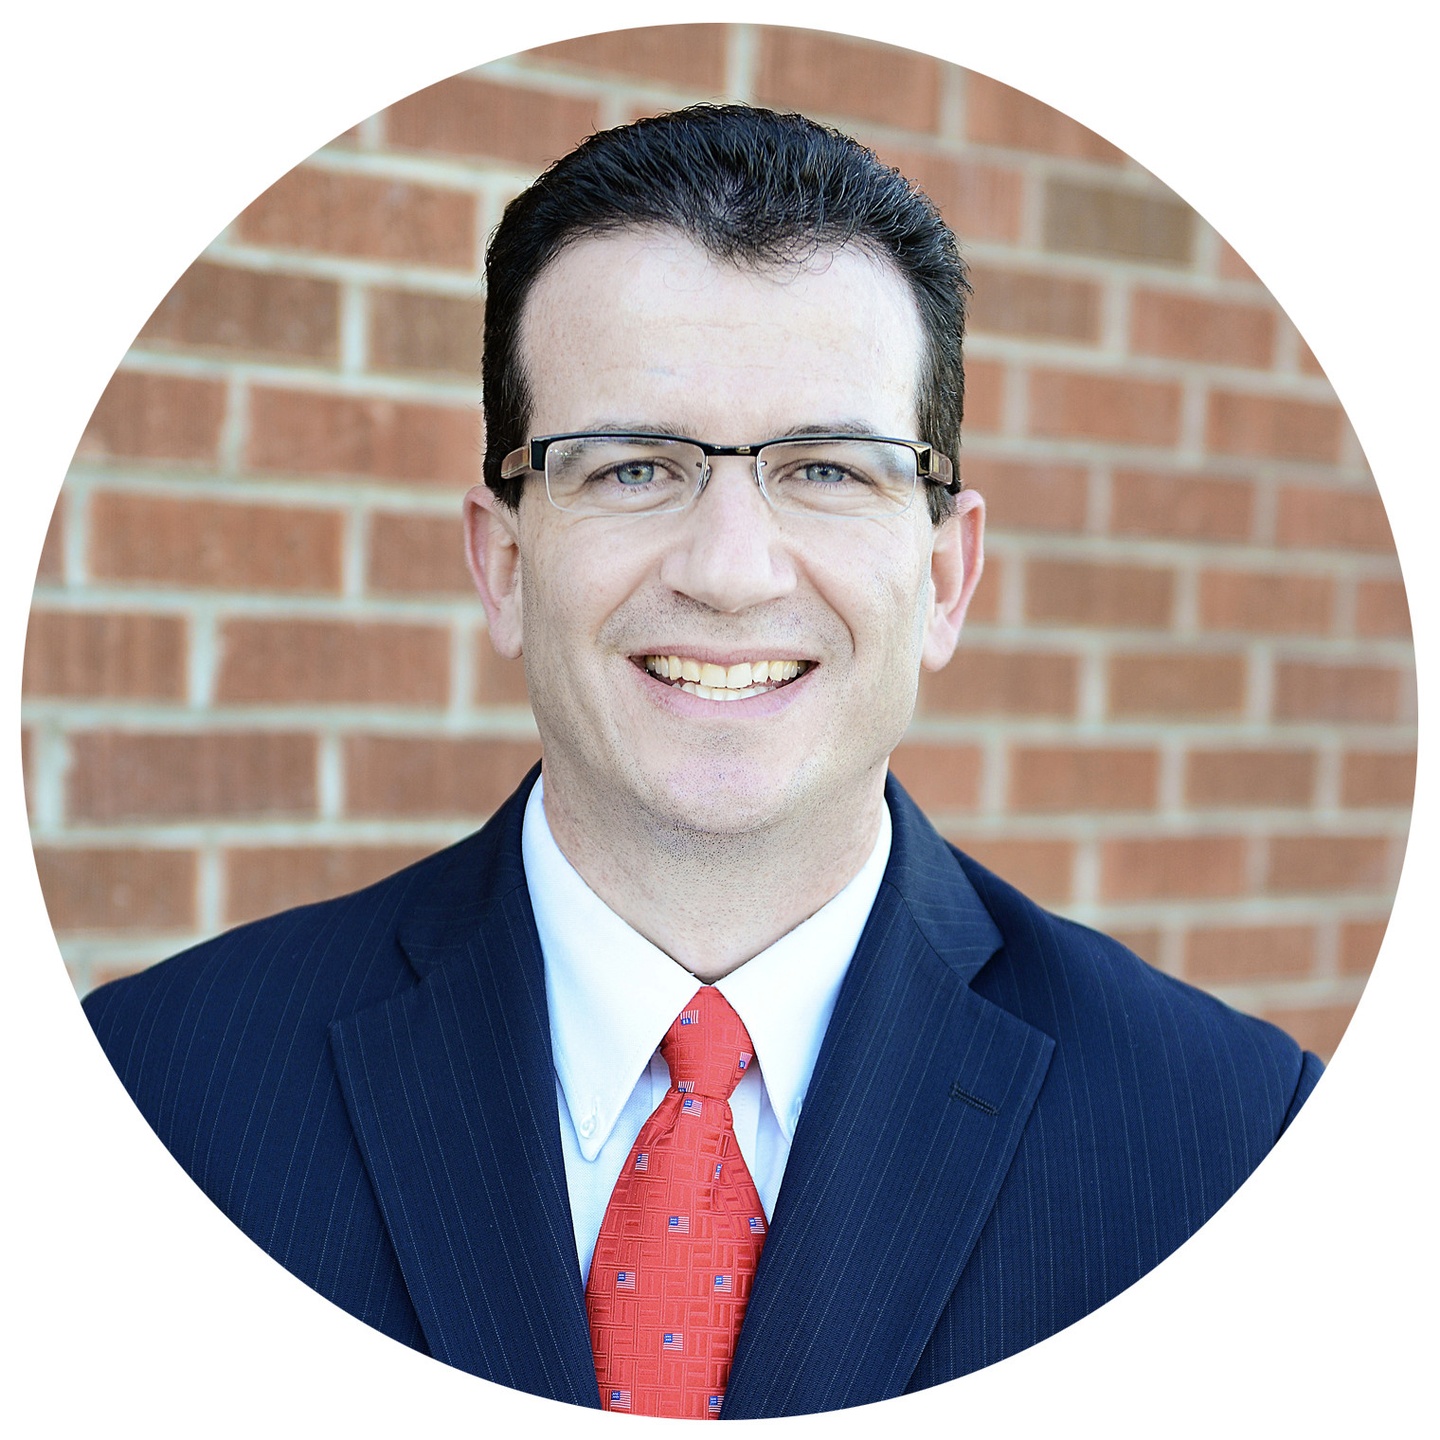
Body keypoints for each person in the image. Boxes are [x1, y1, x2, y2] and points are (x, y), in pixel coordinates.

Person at [83, 105, 1323, 1421]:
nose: (731, 572)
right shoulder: (153, 1096)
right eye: (634, 468)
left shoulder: (1234, 1148)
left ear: (946, 578)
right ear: (506, 564)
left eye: (828, 469)